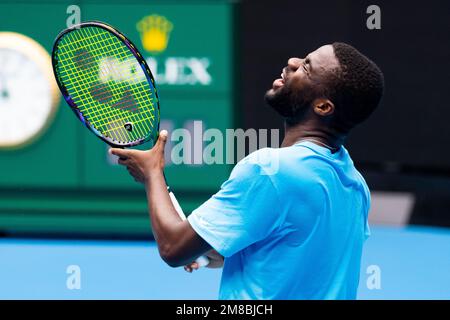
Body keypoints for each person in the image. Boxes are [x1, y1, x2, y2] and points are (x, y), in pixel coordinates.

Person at [110, 42, 384, 299]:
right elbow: (282, 250)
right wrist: (206, 251)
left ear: (323, 106)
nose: (292, 62)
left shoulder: (271, 171)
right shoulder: (355, 184)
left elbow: (172, 248)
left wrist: (152, 174)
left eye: (306, 67)